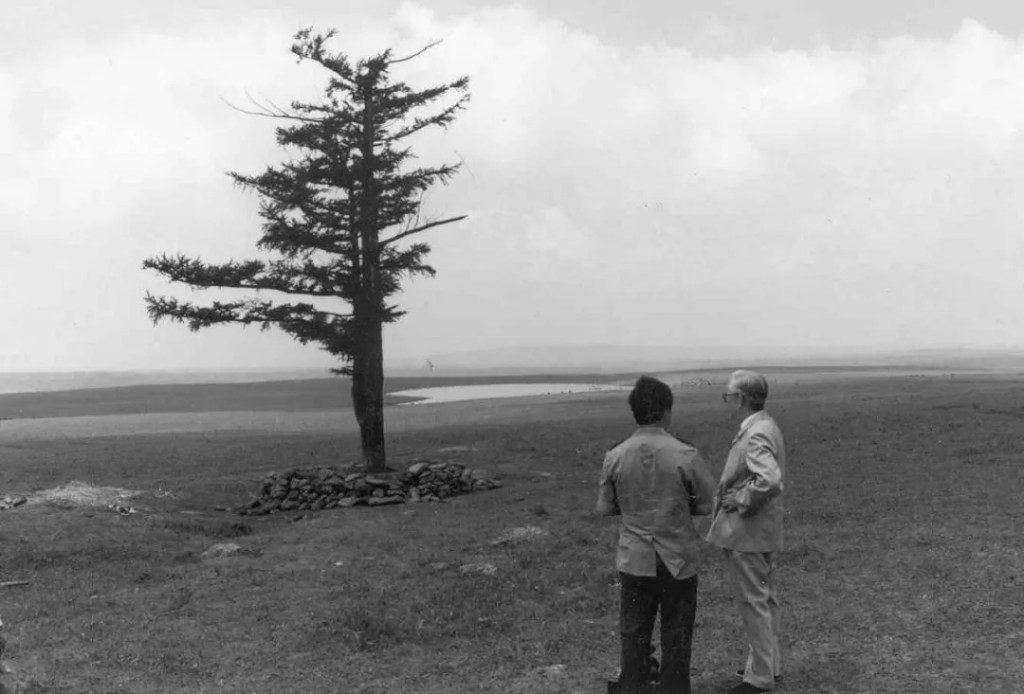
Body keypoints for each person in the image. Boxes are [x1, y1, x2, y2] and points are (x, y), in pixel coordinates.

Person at [597, 375, 717, 694]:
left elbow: (605, 508)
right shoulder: (686, 454)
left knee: (633, 631)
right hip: (677, 557)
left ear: (635, 412)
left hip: (635, 557)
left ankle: (633, 686)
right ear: (666, 411)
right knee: (677, 632)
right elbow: (705, 505)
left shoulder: (615, 455)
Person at [706, 370, 786, 694]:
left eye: (729, 396)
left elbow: (769, 479)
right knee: (765, 600)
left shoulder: (755, 432)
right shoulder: (766, 425)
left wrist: (739, 499)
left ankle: (760, 677)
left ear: (741, 398)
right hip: (761, 530)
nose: (728, 401)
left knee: (754, 603)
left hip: (747, 533)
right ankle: (768, 665)